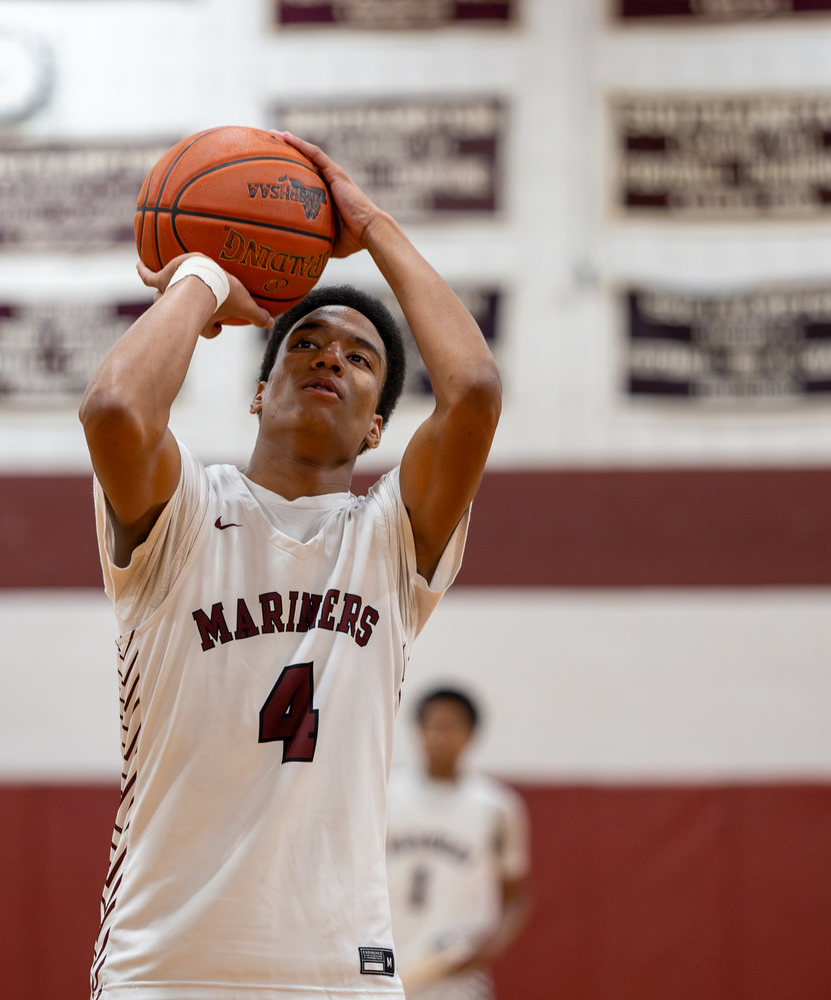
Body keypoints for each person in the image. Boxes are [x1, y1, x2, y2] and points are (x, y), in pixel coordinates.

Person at [77, 130, 501, 1000]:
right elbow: (116, 408)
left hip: (338, 972)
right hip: (165, 967)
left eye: (360, 359)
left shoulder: (391, 539)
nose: (331, 361)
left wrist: (372, 222)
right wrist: (200, 274)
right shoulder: (186, 508)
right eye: (306, 345)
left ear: (379, 426)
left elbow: (476, 393)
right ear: (259, 390)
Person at [386, 688, 529, 1000]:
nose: (441, 737)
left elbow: (516, 897)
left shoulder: (497, 806)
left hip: (456, 977)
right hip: (387, 967)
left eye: (452, 727)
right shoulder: (385, 795)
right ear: (418, 731)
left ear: (471, 735)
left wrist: (487, 951)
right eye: (434, 726)